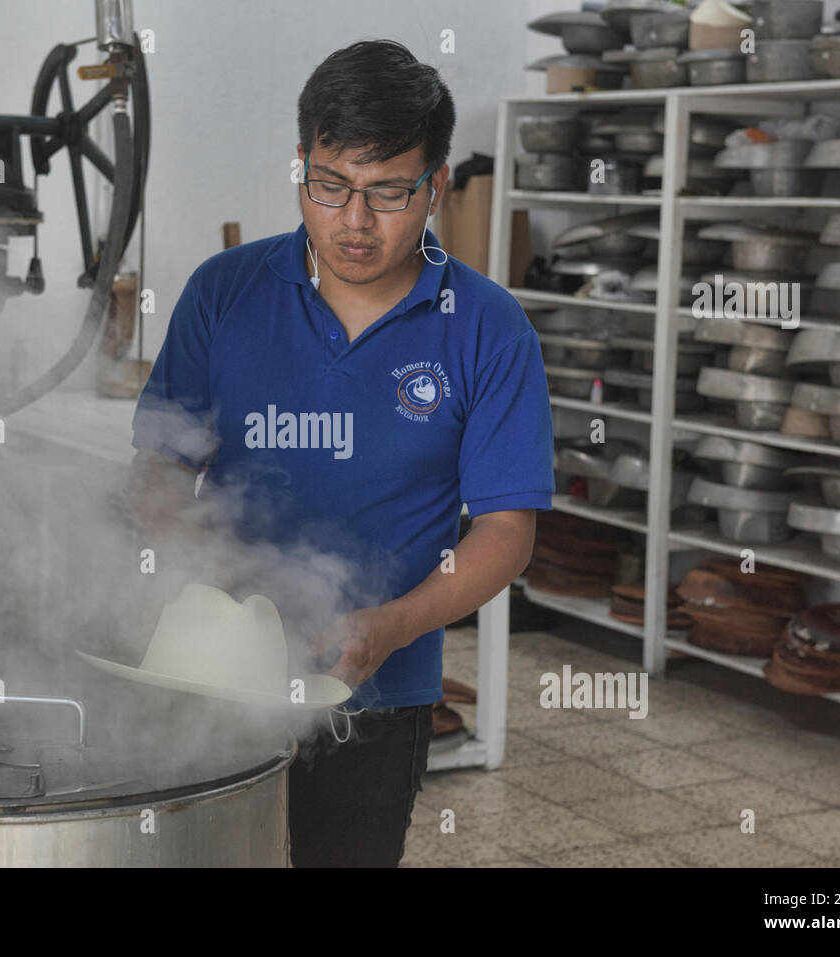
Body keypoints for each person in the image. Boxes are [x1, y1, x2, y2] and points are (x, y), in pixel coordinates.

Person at [126, 39, 553, 867]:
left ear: (435, 184)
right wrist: (184, 548)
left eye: (389, 192)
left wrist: (390, 626)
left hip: (374, 685)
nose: (354, 221)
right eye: (330, 186)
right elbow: (161, 464)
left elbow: (507, 531)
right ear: (301, 166)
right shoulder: (225, 292)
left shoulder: (489, 329)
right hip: (210, 670)